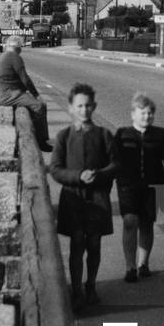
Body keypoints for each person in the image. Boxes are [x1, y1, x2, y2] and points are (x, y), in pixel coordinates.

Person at [49, 83, 119, 310]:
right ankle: (76, 290)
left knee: (94, 243)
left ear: (94, 106)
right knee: (77, 243)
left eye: (88, 106)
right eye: (79, 106)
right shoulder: (64, 136)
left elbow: (116, 164)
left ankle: (91, 285)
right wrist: (78, 176)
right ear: (71, 107)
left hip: (98, 197)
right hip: (73, 198)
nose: (84, 110)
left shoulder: (104, 135)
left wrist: (100, 175)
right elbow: (56, 169)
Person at [114, 92, 164, 283]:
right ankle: (130, 267)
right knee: (130, 221)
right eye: (143, 113)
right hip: (128, 187)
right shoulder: (122, 134)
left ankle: (143, 264)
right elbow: (112, 161)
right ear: (133, 114)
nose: (147, 116)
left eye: (150, 113)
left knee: (146, 224)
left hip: (154, 186)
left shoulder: (159, 134)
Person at [0, 34, 52, 151]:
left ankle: (35, 135)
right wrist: (37, 95)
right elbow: (25, 79)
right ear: (17, 48)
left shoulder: (4, 56)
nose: (21, 50)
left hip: (5, 93)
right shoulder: (14, 57)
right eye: (20, 47)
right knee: (39, 106)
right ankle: (41, 141)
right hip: (10, 94)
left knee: (33, 105)